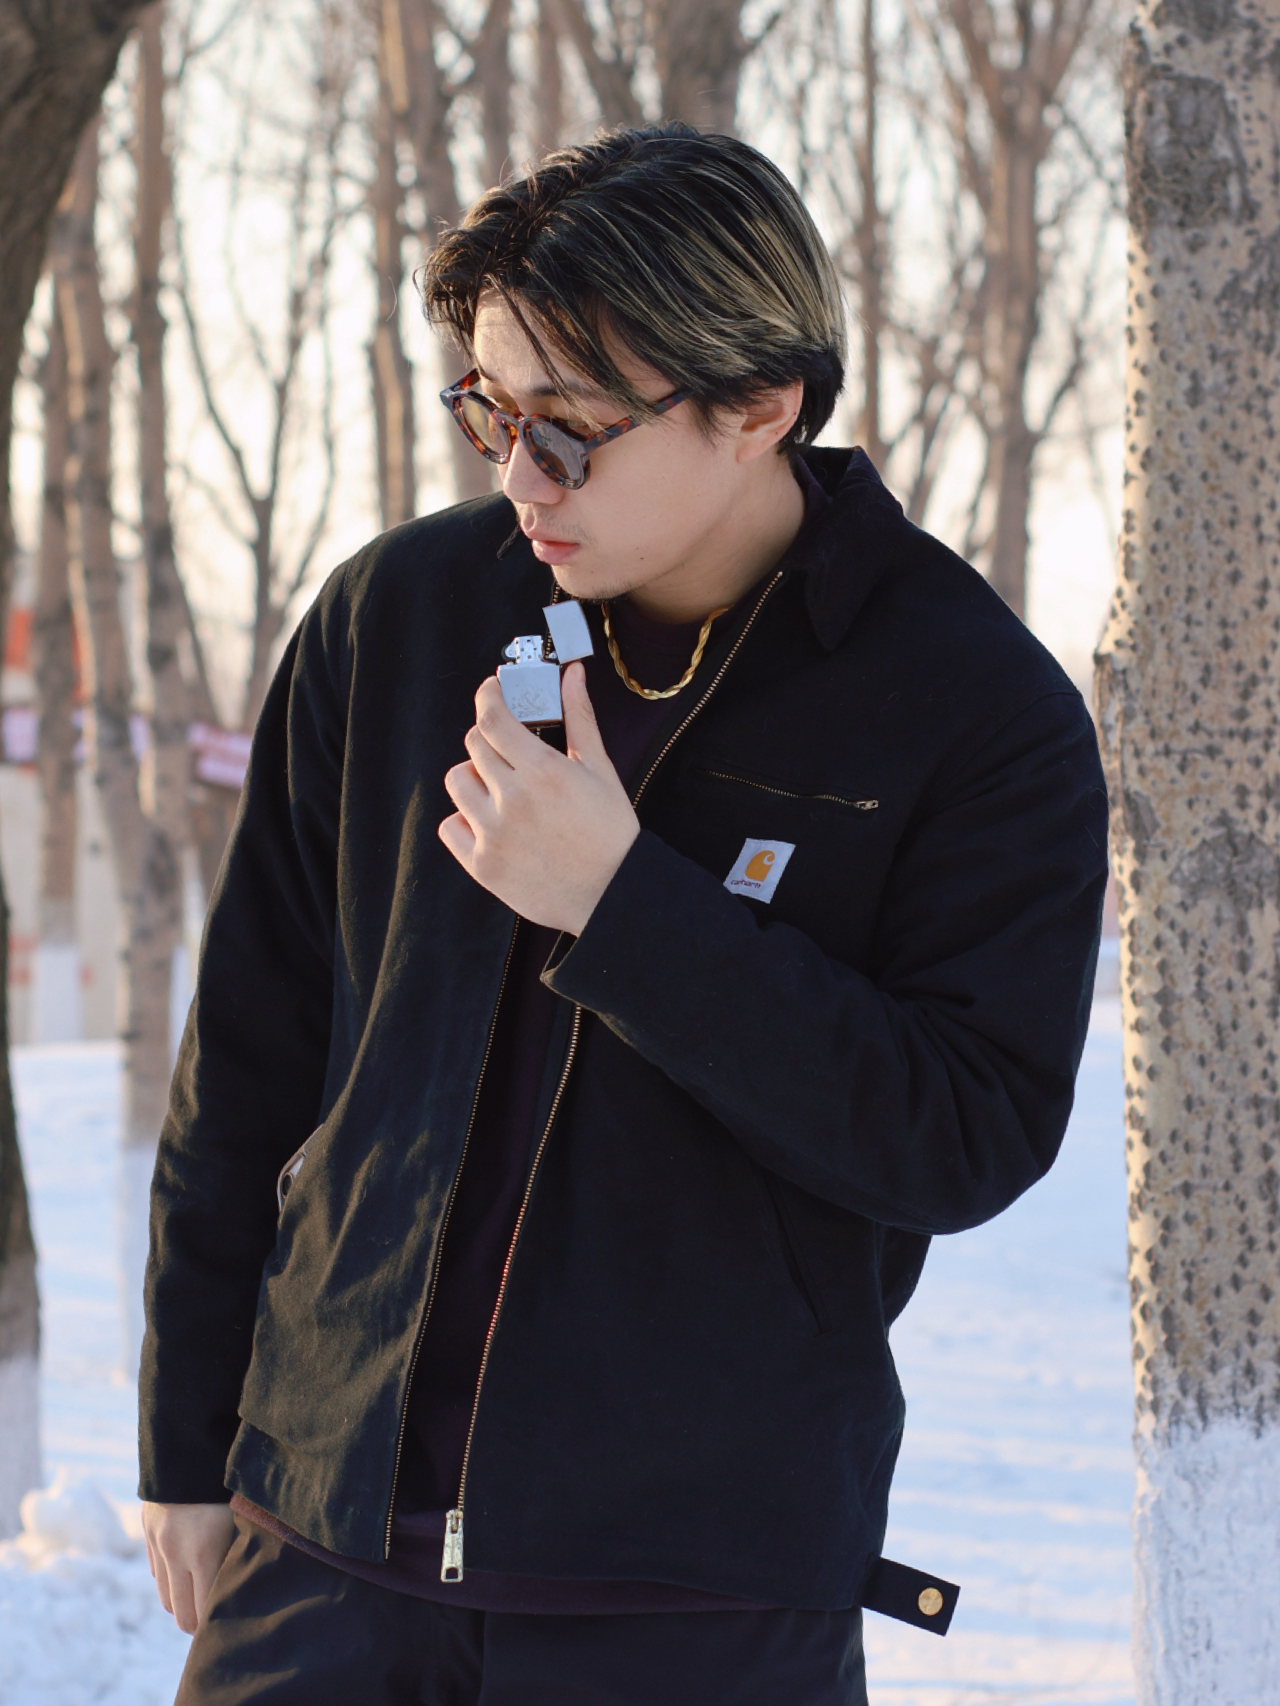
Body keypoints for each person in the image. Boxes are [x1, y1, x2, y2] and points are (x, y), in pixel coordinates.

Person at [139, 123, 1108, 1706]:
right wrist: (191, 1444)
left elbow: (965, 1130)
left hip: (696, 1595)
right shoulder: (399, 618)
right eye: (491, 413)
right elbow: (247, 1053)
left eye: (573, 431)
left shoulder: (972, 710)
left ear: (761, 405)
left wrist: (622, 905)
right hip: (320, 1557)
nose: (521, 476)